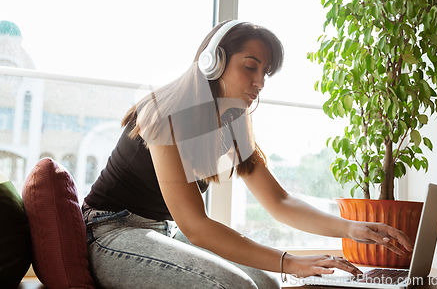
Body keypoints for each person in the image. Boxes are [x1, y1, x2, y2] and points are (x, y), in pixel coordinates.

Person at [82, 20, 413, 289]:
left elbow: (279, 202)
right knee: (233, 285)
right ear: (213, 62)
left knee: (266, 283)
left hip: (161, 231)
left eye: (265, 72)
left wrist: (351, 229)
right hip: (111, 231)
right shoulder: (164, 112)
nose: (260, 82)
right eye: (250, 67)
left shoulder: (230, 126)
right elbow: (196, 225)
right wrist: (291, 262)